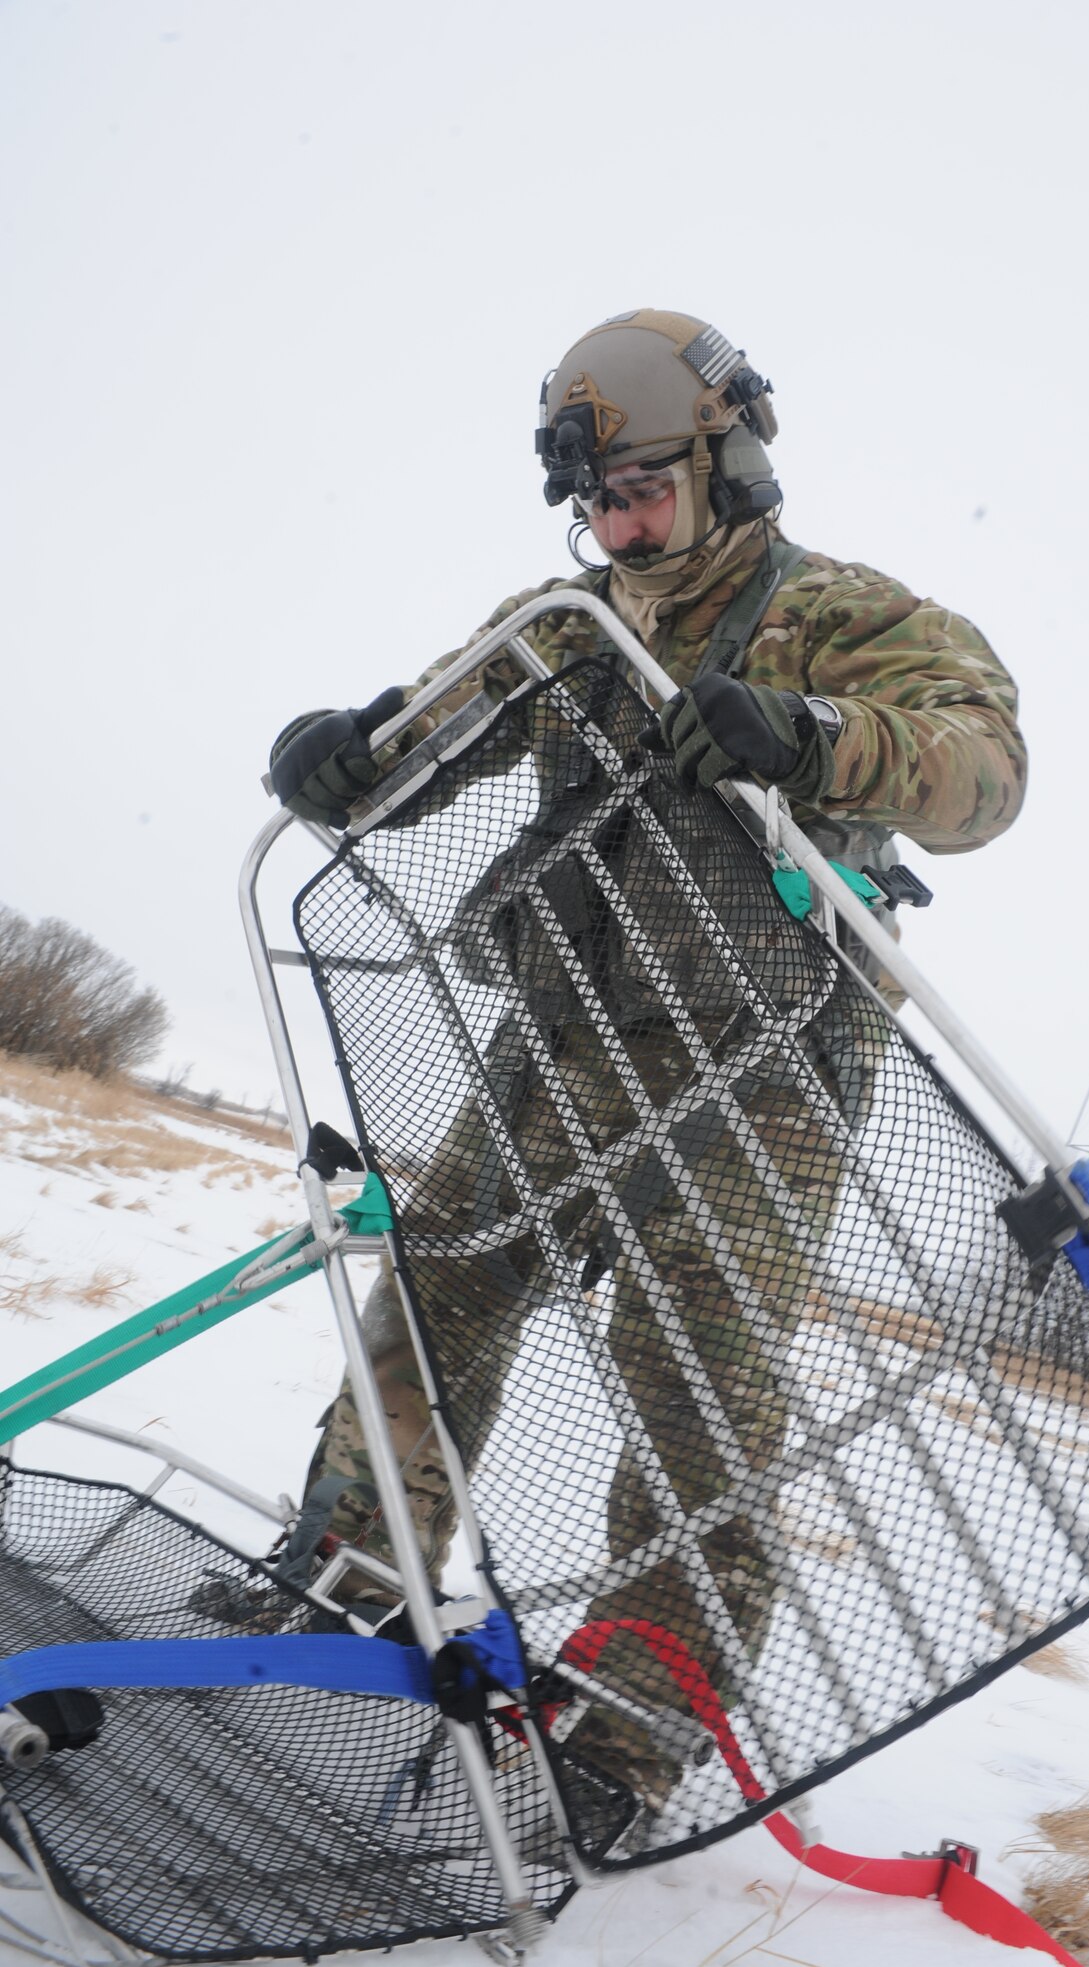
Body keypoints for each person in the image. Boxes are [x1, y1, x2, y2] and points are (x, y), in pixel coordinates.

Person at [265, 310, 1027, 1817]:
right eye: (595, 498)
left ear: (732, 458)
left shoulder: (851, 616)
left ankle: (624, 1735)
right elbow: (427, 739)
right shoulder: (566, 627)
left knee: (697, 1394)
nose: (620, 522)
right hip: (565, 1043)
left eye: (646, 488)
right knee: (438, 1299)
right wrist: (343, 757)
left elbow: (985, 775)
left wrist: (811, 737)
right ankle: (343, 1588)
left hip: (769, 1076)